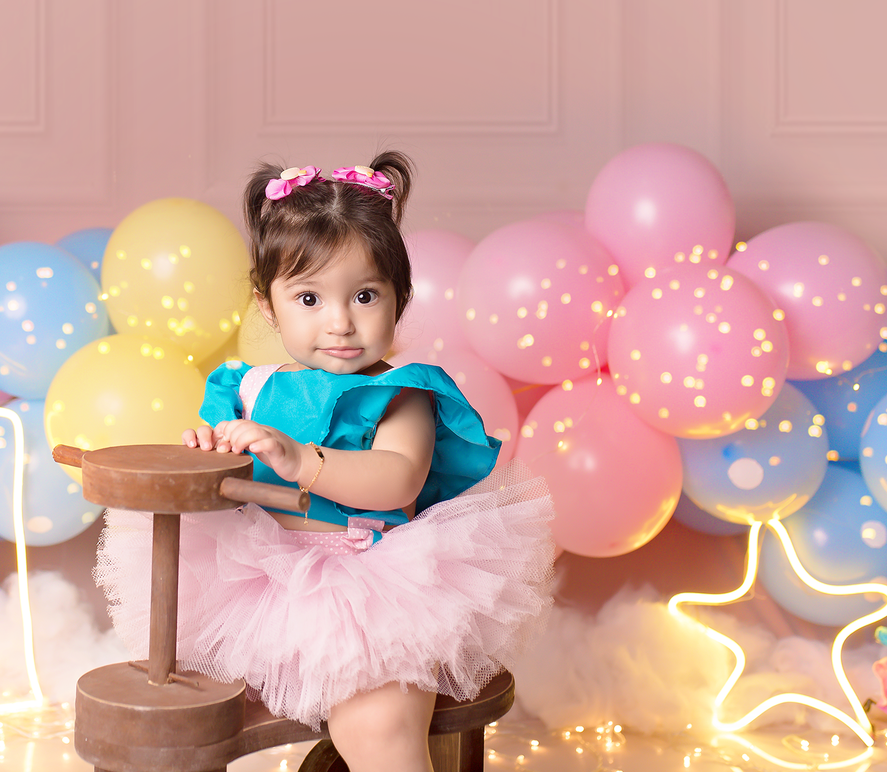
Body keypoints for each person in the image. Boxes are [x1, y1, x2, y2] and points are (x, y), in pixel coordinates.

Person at [94, 151, 555, 772]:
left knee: (381, 730)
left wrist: (299, 458)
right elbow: (221, 478)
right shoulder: (246, 388)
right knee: (184, 715)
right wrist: (206, 454)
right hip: (256, 584)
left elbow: (398, 478)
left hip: (370, 587)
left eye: (364, 295)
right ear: (267, 305)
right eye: (309, 298)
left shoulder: (401, 392)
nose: (340, 323)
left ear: (400, 298)